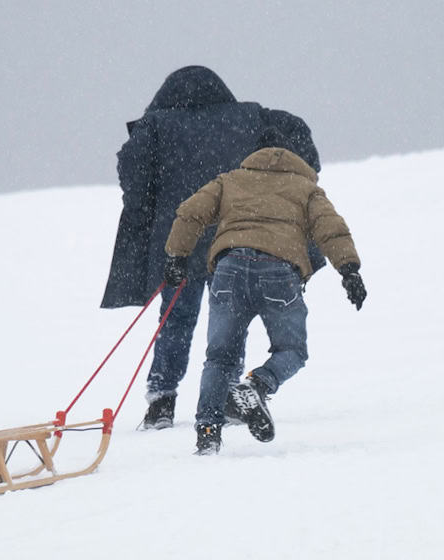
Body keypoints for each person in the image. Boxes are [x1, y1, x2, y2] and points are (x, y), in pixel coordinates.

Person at [101, 66, 325, 430]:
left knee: (175, 319)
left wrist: (148, 212)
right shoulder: (251, 120)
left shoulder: (157, 127)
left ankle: (161, 400)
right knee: (231, 322)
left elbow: (134, 177)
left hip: (181, 240)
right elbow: (297, 141)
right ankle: (224, 397)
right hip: (234, 240)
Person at [163, 128, 367, 454]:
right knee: (292, 350)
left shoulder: (230, 180)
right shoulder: (306, 189)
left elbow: (191, 212)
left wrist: (177, 256)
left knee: (219, 356)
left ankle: (208, 432)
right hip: (279, 271)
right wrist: (349, 270)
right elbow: (331, 228)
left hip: (229, 269)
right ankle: (257, 384)